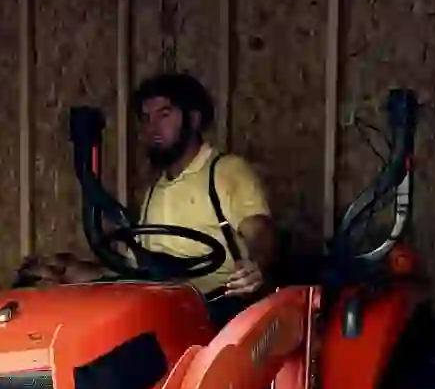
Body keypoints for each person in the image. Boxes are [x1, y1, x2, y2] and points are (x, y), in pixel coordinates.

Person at [18, 72, 276, 304]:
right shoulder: (155, 191)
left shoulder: (225, 171)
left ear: (194, 119)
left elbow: (260, 232)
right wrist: (69, 270)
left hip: (217, 307)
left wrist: (255, 266)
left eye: (164, 115)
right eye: (146, 118)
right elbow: (134, 271)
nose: (153, 128)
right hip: (162, 308)